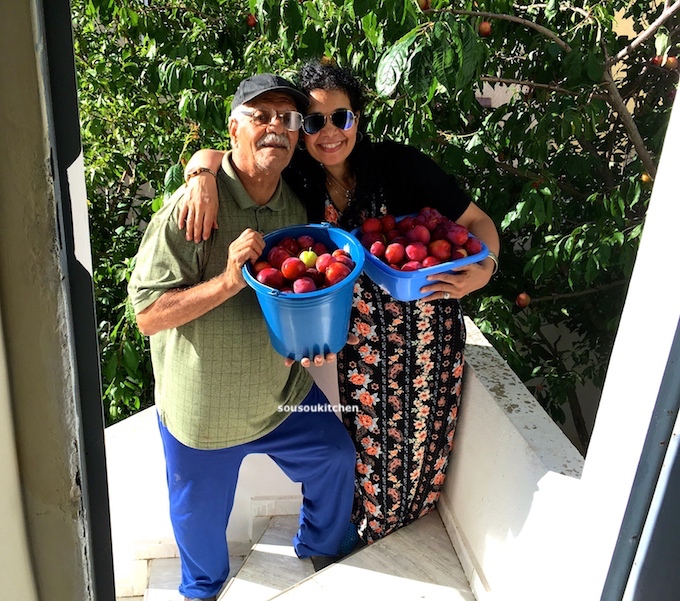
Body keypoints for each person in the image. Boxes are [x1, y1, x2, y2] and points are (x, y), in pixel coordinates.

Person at [179, 61, 501, 546]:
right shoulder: (297, 180)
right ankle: (368, 535)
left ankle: (403, 537)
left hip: (428, 332)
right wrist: (200, 171)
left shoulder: (400, 166)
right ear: (300, 131)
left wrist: (485, 269)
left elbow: (478, 223)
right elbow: (233, 153)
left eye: (340, 118)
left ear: (358, 118)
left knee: (421, 439)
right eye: (312, 122)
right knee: (365, 447)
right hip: (356, 343)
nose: (329, 132)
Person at [127, 73, 357, 601]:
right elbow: (148, 316)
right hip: (201, 417)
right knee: (202, 536)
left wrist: (310, 341)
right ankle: (202, 590)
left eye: (288, 118)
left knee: (336, 458)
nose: (276, 125)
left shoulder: (296, 210)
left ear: (299, 135)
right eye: (261, 115)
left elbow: (299, 296)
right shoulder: (190, 211)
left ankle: (318, 546)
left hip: (282, 402)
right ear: (233, 129)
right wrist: (230, 280)